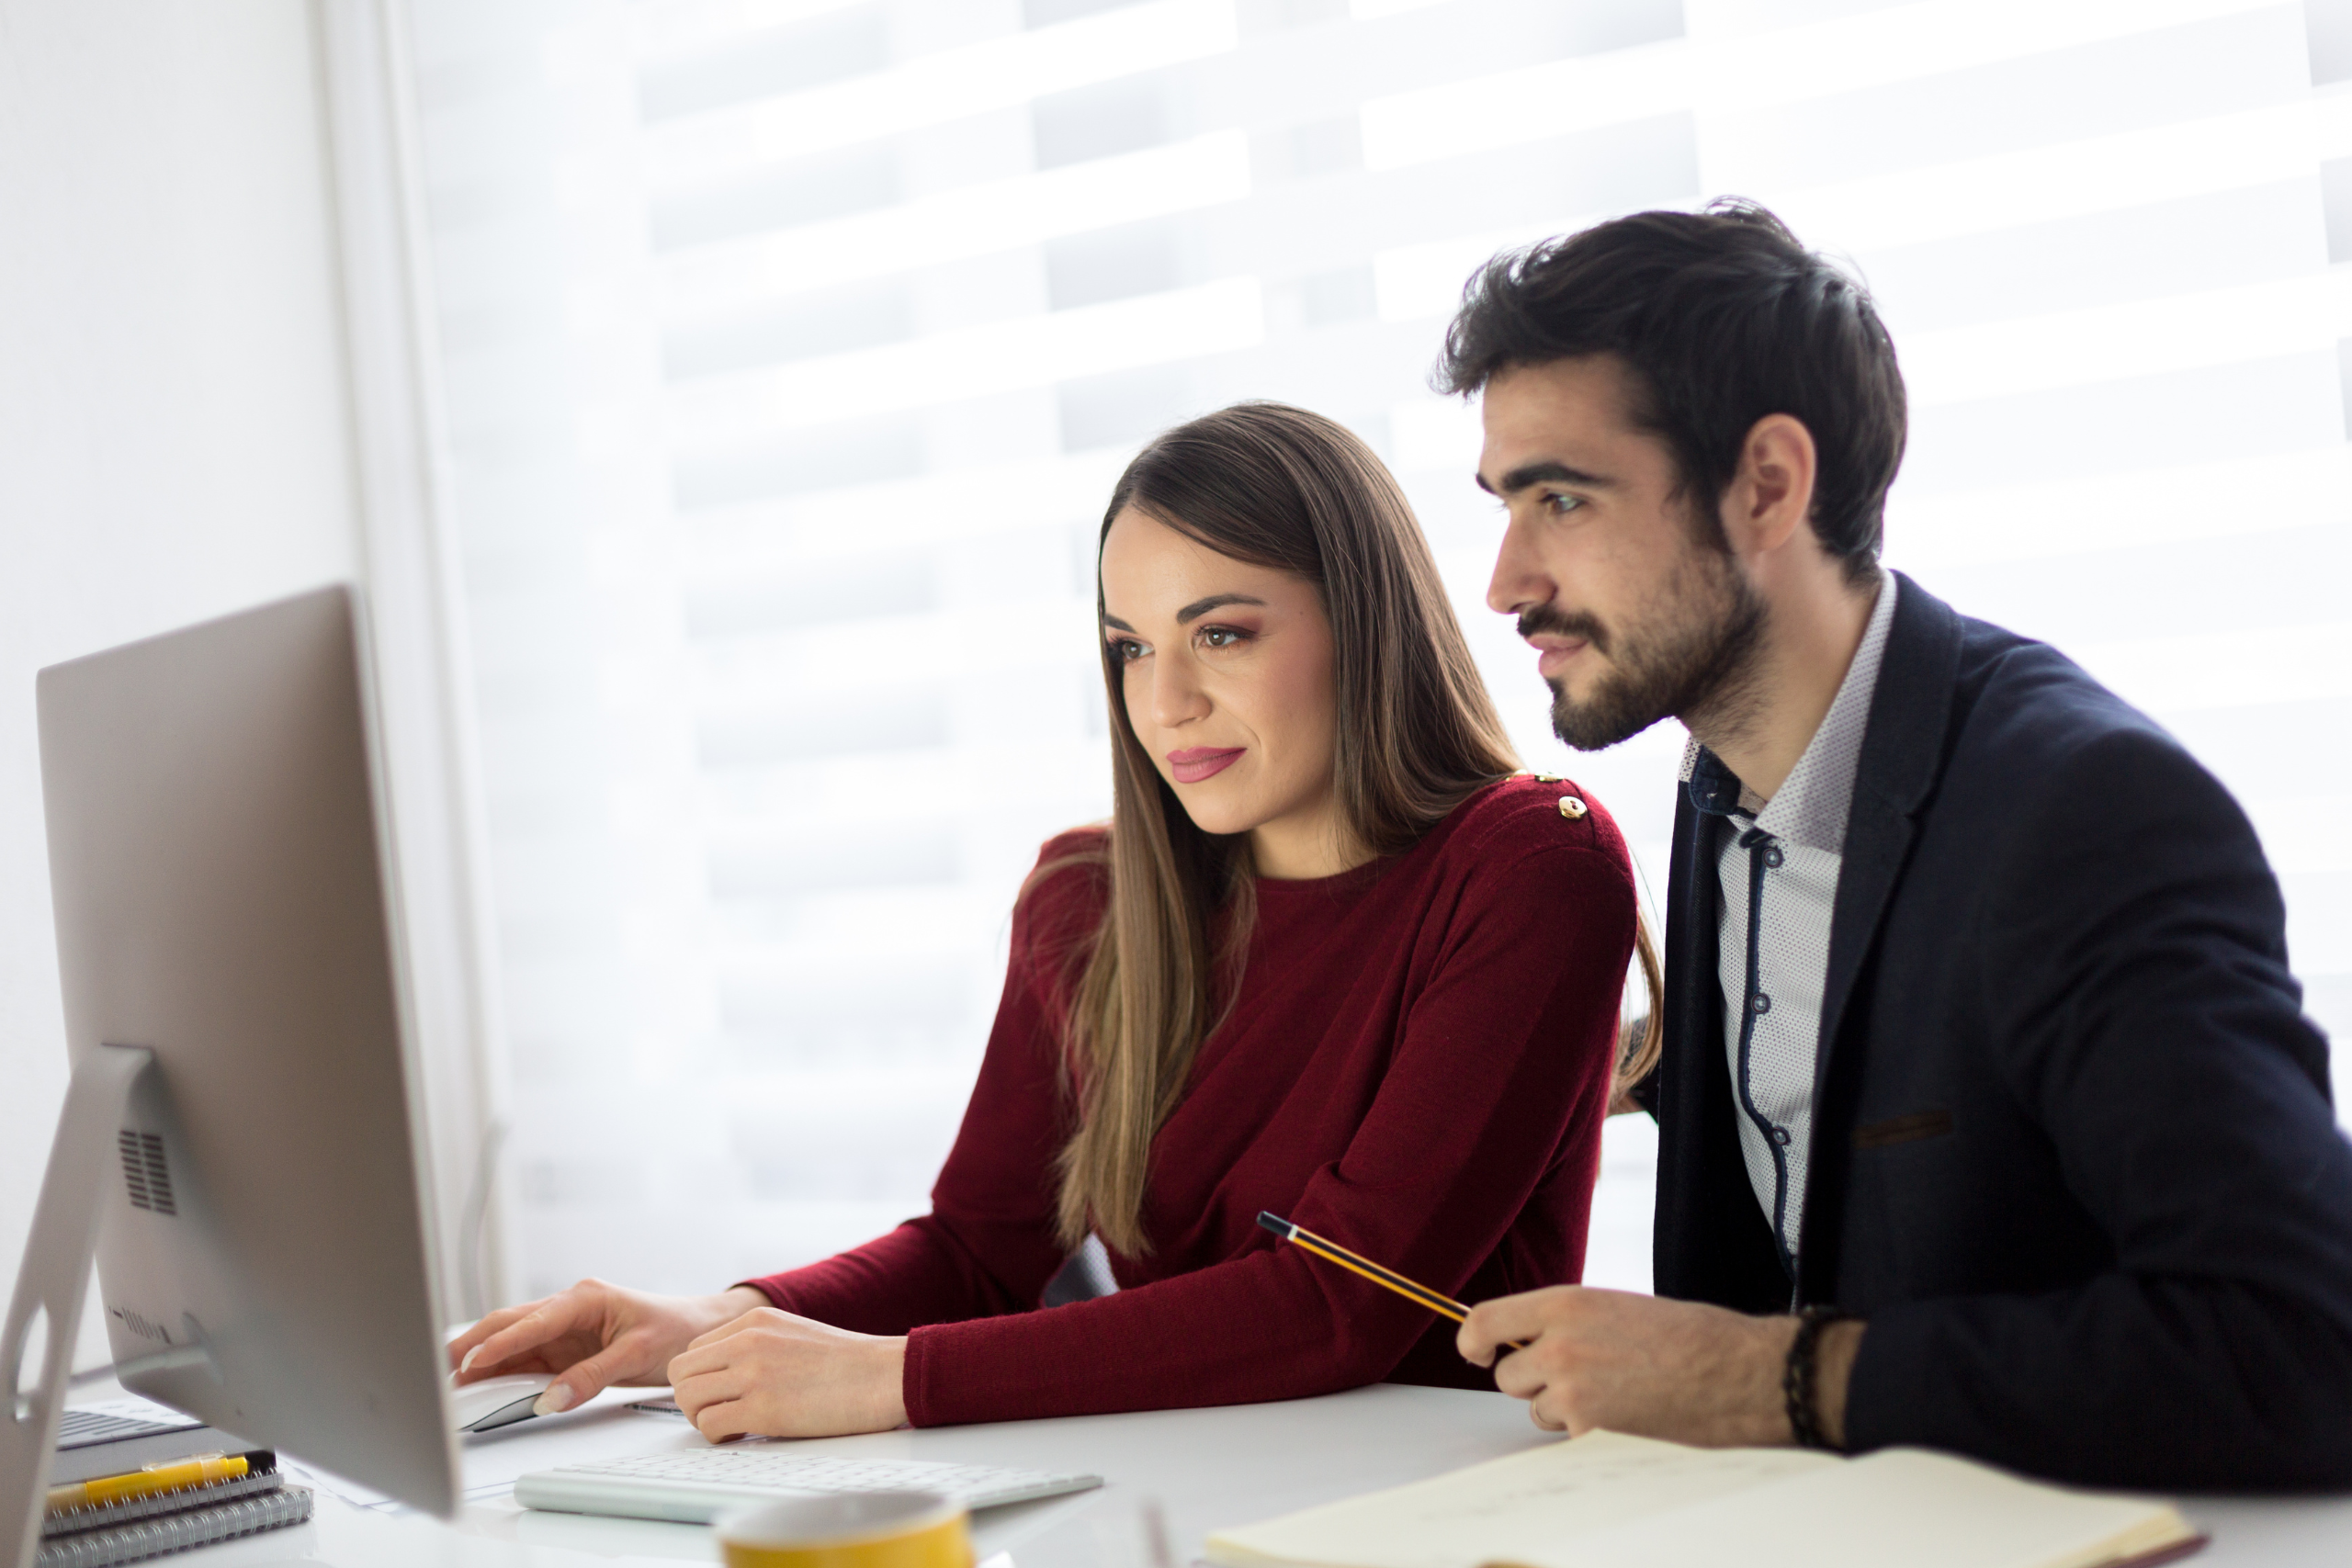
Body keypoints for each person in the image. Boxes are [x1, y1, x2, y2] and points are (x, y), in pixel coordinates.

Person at [449, 401, 1656, 1438]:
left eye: (1222, 632)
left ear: (1365, 619)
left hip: (1416, 1511)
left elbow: (1340, 1305)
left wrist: (895, 1381)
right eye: (1131, 647)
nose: (1166, 699)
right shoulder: (1088, 900)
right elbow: (980, 1249)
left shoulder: (1530, 864)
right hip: (1167, 1489)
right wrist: (728, 1315)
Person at [1442, 200, 2352, 1488]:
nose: (1506, 579)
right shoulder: (1723, 774)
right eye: (1506, 502)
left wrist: (1763, 1376)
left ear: (1767, 484)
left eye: (1561, 499)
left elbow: (2306, 1342)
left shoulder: (2082, 811)